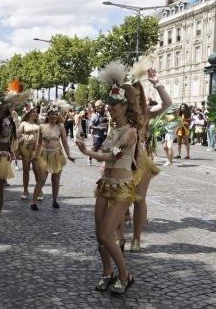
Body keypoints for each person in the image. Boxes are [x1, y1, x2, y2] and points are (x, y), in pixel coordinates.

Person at [75, 62, 142, 294]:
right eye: (109, 104)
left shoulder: (130, 132)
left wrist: (86, 153)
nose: (110, 108)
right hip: (105, 185)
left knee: (106, 233)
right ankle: (107, 272)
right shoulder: (112, 130)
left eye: (114, 105)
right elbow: (107, 152)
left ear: (124, 106)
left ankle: (125, 275)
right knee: (99, 234)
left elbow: (111, 157)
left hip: (122, 186)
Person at [127, 64, 172, 252]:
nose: (135, 97)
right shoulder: (117, 112)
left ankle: (136, 239)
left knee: (139, 199)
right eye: (131, 94)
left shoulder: (146, 113)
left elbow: (167, 103)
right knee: (118, 200)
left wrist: (157, 84)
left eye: (138, 94)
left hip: (141, 158)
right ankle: (119, 235)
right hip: (121, 158)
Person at [0, 90, 30, 233]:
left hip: (2, 158)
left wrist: (12, 153)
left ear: (4, 112)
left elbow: (10, 140)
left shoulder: (8, 124)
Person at [31, 102, 75, 210]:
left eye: (56, 114)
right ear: (48, 115)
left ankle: (55, 200)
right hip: (44, 155)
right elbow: (39, 143)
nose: (54, 116)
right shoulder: (41, 126)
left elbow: (64, 142)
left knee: (55, 181)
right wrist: (35, 155)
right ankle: (33, 202)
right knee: (41, 180)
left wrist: (69, 155)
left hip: (57, 155)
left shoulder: (60, 127)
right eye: (52, 114)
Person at [16, 108, 42, 201]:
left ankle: (39, 190)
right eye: (33, 112)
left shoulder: (38, 124)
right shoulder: (23, 124)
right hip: (26, 149)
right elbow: (18, 136)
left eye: (36, 112)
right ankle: (25, 190)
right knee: (26, 171)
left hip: (36, 149)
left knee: (36, 170)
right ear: (28, 113)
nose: (35, 114)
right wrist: (17, 151)